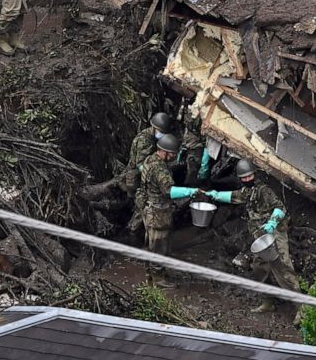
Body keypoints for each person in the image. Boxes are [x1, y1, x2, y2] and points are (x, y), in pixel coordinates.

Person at [205, 159, 301, 313]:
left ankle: (300, 309)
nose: (248, 179)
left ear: (254, 174)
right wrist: (216, 195)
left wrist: (272, 223)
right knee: (259, 268)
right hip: (260, 236)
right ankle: (267, 301)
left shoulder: (263, 190)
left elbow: (280, 208)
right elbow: (235, 196)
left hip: (274, 234)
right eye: (244, 177)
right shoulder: (248, 191)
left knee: (283, 269)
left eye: (250, 176)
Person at [138, 133, 201, 288]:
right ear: (164, 152)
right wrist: (189, 192)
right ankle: (158, 279)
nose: (174, 156)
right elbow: (168, 191)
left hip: (148, 208)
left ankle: (150, 273)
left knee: (150, 242)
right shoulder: (160, 169)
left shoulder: (150, 159)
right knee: (159, 245)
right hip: (158, 212)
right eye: (172, 153)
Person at [120, 112, 173, 232]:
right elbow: (140, 164)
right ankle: (132, 231)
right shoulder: (145, 141)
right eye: (160, 131)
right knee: (141, 204)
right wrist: (154, 175)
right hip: (137, 176)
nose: (162, 134)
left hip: (142, 175)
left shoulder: (152, 137)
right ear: (154, 128)